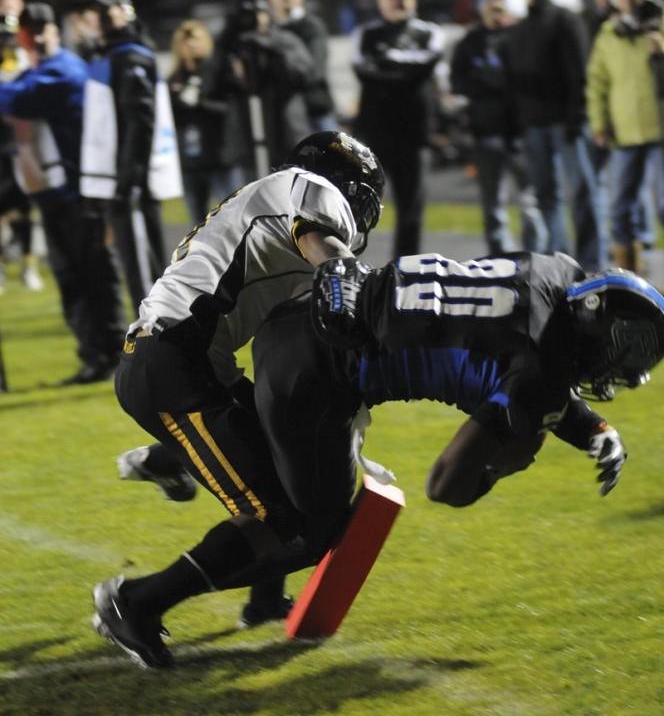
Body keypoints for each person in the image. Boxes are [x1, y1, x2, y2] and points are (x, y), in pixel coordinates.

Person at [91, 248, 664, 668]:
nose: (619, 369)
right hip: (320, 375)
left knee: (294, 486)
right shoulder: (540, 374)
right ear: (594, 321)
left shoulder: (555, 269)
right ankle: (138, 602)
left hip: (308, 317)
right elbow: (447, 482)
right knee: (308, 531)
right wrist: (502, 467)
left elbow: (506, 342)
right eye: (623, 350)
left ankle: (193, 472)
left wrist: (593, 429)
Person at [109, 131, 385, 634]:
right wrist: (349, 285)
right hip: (174, 366)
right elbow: (322, 245)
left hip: (188, 361)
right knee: (277, 519)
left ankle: (172, 464)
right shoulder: (306, 189)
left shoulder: (266, 204)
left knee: (294, 473)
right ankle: (137, 603)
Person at [0, 3, 125, 383]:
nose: (36, 37)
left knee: (94, 276)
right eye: (28, 31)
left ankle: (116, 354)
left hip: (77, 193)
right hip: (53, 194)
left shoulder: (64, 69)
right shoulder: (37, 70)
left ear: (56, 30)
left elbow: (17, 99)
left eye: (42, 29)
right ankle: (94, 357)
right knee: (72, 280)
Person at [79, 0, 181, 313]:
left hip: (130, 184)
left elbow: (140, 124)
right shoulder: (111, 55)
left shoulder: (129, 56)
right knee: (138, 271)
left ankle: (159, 346)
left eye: (98, 11)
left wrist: (129, 181)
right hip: (120, 181)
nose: (91, 19)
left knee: (145, 276)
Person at [502, 0, 606, 270]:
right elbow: (514, 81)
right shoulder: (519, 29)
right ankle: (565, 262)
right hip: (535, 122)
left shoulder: (564, 19)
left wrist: (577, 114)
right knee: (548, 196)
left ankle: (591, 261)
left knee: (582, 192)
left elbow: (579, 71)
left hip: (564, 120)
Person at [352, 0, 445, 257]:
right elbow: (362, 70)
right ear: (380, 2)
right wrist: (406, 72)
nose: (398, 4)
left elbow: (428, 63)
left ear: (414, 0)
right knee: (358, 204)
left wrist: (388, 62)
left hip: (414, 131)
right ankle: (349, 265)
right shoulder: (365, 34)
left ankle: (405, 268)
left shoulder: (429, 32)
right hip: (374, 130)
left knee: (411, 206)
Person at [450, 0, 546, 255]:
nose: (495, 6)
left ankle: (535, 257)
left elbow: (529, 78)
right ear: (481, 6)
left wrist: (488, 79)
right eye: (490, 1)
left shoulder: (519, 36)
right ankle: (500, 261)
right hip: (486, 131)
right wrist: (494, 81)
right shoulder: (470, 42)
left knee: (531, 202)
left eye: (499, 1)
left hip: (521, 131)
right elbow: (458, 82)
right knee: (494, 205)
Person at [586, 0, 664, 273]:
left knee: (662, 204)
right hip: (624, 130)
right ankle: (629, 275)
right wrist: (600, 123)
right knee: (619, 206)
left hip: (660, 128)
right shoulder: (609, 34)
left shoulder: (659, 26)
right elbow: (597, 83)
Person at [204, 0, 316, 179]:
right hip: (246, 135)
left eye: (257, 14)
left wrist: (271, 49)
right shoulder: (228, 45)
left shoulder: (284, 40)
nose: (253, 20)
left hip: (285, 130)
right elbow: (212, 86)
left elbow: (306, 75)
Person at [168, 19, 240, 224]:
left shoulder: (217, 73)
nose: (190, 45)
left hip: (219, 156)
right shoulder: (174, 79)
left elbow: (229, 110)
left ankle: (241, 256)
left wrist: (200, 102)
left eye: (195, 39)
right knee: (197, 223)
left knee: (232, 215)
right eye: (185, 41)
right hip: (190, 161)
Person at [0, 5, 43, 292]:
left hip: (24, 144)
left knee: (27, 209)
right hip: (2, 144)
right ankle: (2, 266)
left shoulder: (28, 64)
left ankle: (29, 265)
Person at [268, 0, 336, 131]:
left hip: (315, 113)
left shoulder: (312, 27)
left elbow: (315, 71)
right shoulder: (266, 30)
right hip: (277, 116)